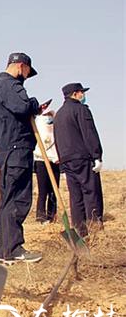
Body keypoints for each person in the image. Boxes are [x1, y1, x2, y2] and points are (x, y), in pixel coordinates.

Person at [0, 52, 48, 265]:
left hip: (9, 149)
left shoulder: (1, 86)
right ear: (21, 66)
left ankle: (5, 251)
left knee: (8, 199)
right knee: (18, 199)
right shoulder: (10, 85)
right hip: (16, 150)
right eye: (27, 72)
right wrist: (33, 104)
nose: (26, 77)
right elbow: (22, 106)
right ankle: (13, 249)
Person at [54, 83, 104, 237]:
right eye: (81, 92)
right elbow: (89, 133)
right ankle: (95, 231)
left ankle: (80, 232)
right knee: (91, 193)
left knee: (75, 197)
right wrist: (97, 155)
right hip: (82, 158)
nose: (83, 95)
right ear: (75, 94)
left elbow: (57, 140)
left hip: (66, 160)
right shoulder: (81, 110)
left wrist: (62, 166)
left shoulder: (59, 114)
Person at [33, 110, 60, 223]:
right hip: (41, 161)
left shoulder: (56, 127)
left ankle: (52, 216)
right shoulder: (38, 125)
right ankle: (41, 216)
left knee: (54, 191)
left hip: (55, 161)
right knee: (43, 190)